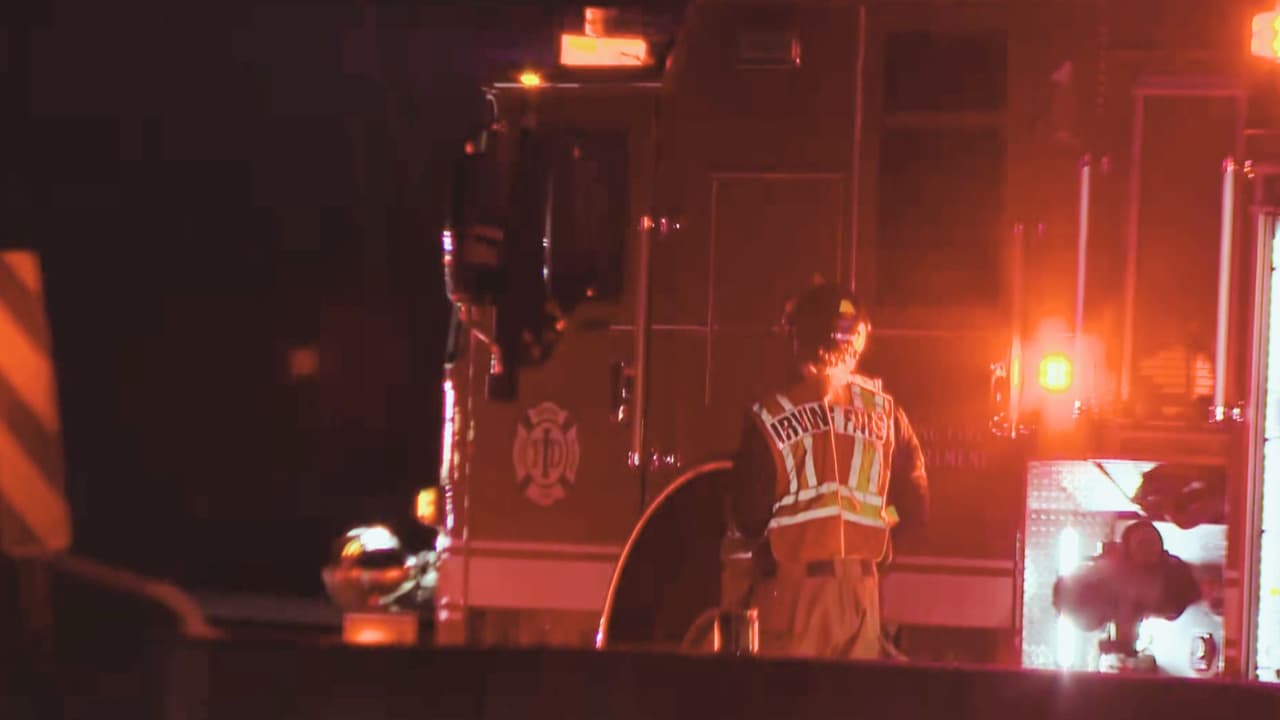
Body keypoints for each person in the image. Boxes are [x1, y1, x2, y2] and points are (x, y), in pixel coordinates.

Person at [720, 281, 929, 659]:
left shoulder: (771, 415)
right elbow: (914, 509)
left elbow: (749, 517)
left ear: (800, 339)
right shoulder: (886, 413)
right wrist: (881, 520)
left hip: (797, 600)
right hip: (862, 602)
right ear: (859, 341)